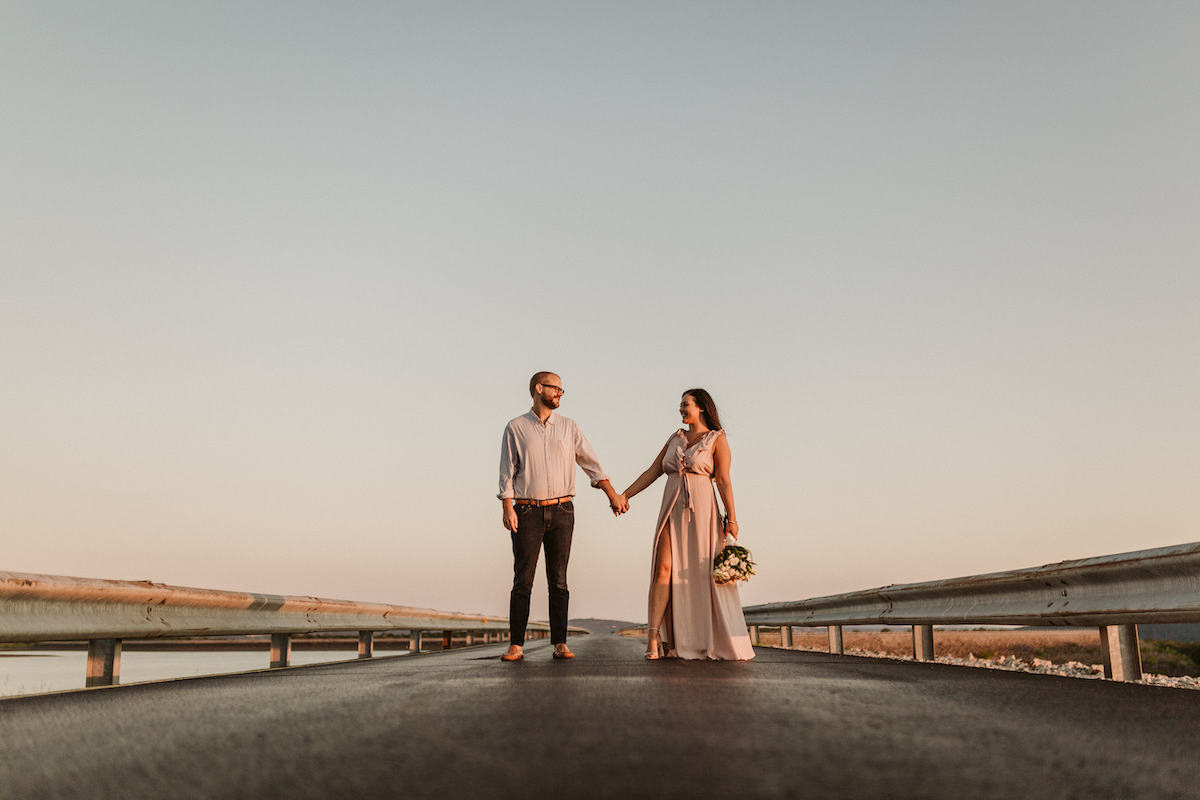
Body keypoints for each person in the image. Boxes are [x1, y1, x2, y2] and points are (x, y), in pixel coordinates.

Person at [497, 371, 628, 661]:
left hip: (562, 510)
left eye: (561, 389)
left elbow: (592, 464)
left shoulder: (569, 427)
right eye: (556, 388)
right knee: (523, 580)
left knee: (559, 580)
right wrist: (508, 508)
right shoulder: (516, 427)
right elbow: (507, 471)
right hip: (526, 510)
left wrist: (613, 495)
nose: (560, 393)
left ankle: (560, 643)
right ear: (539, 388)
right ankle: (516, 645)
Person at [621, 389, 754, 660]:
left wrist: (733, 519)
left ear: (701, 408)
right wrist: (625, 495)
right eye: (680, 405)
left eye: (685, 404)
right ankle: (654, 637)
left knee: (702, 574)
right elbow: (652, 471)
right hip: (672, 508)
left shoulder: (717, 439)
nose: (680, 409)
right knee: (663, 570)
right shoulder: (675, 438)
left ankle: (704, 637)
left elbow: (725, 481)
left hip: (704, 512)